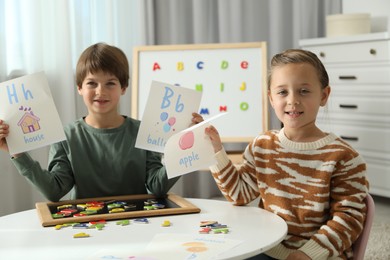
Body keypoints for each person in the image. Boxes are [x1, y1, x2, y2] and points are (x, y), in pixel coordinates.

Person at [197, 49, 369, 260]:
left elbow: (349, 219)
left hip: (318, 255)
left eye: (304, 91)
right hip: (269, 248)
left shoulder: (344, 157)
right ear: (271, 98)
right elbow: (238, 194)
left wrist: (308, 253)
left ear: (324, 96)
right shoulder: (262, 146)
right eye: (282, 92)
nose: (292, 100)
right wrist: (215, 150)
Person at [0, 42, 183, 202]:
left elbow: (157, 186)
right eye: (92, 83)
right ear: (79, 88)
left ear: (124, 87)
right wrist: (18, 152)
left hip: (138, 224)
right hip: (86, 230)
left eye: (110, 83)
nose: (100, 91)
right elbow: (54, 190)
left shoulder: (143, 131)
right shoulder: (66, 137)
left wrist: (185, 149)